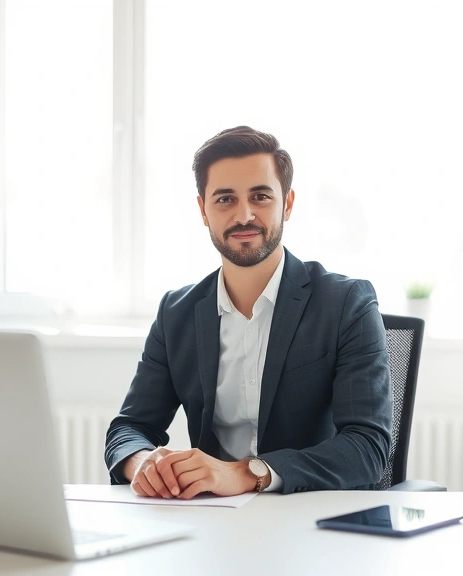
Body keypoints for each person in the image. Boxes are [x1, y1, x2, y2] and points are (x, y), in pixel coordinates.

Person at [104, 126, 392, 498]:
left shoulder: (346, 304)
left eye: (260, 197)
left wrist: (246, 473)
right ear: (203, 210)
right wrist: (143, 463)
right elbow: (129, 428)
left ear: (287, 204)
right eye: (225, 199)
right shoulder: (176, 313)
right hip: (212, 521)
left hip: (308, 517)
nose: (244, 215)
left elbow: (367, 447)